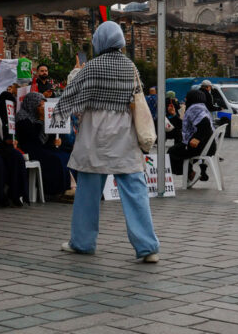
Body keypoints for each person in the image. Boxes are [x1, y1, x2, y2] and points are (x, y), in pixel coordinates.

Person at [55, 21, 160, 263]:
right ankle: (148, 247)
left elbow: (72, 98)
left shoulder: (92, 67)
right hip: (124, 133)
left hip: (94, 134)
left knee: (88, 192)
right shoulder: (130, 66)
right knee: (135, 191)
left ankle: (83, 242)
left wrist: (75, 74)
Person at [14, 92, 69, 197]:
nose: (42, 108)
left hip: (42, 147)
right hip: (30, 148)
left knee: (65, 156)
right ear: (32, 105)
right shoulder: (22, 118)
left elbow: (47, 137)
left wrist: (55, 140)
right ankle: (57, 190)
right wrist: (40, 120)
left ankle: (69, 187)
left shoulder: (41, 116)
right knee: (55, 159)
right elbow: (33, 139)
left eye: (44, 105)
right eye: (39, 105)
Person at [168, 90, 215, 179]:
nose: (185, 99)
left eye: (187, 97)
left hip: (201, 146)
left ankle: (189, 173)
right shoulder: (201, 107)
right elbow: (185, 126)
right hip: (208, 146)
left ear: (192, 98)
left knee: (172, 152)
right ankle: (190, 172)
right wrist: (174, 115)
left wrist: (197, 138)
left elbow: (205, 124)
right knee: (177, 149)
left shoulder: (195, 108)